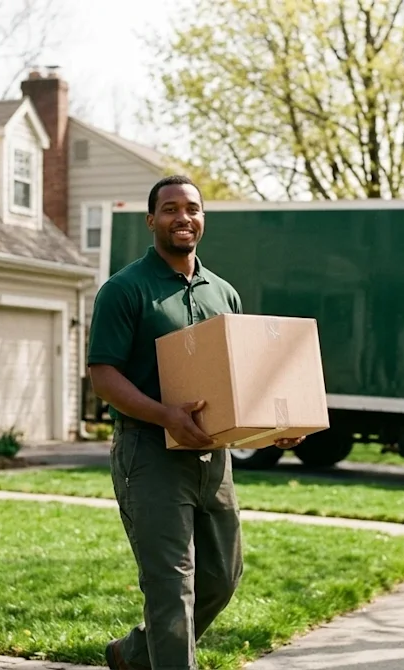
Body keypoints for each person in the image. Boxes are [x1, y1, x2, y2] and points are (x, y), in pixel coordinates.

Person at [87, 175, 304, 670]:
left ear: (203, 218)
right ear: (151, 220)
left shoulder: (222, 293)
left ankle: (133, 653)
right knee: (171, 586)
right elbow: (104, 377)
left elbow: (241, 382)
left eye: (192, 208)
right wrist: (164, 414)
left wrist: (276, 427)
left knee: (222, 576)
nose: (182, 217)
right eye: (169, 209)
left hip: (214, 456)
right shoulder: (124, 290)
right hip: (150, 455)